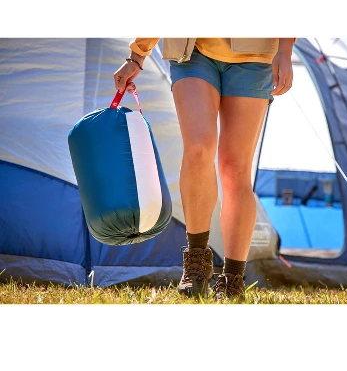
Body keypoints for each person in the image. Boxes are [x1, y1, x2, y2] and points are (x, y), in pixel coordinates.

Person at [114, 38, 295, 301]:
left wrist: (285, 51)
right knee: (198, 148)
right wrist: (137, 55)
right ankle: (196, 260)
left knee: (234, 167)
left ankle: (233, 278)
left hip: (254, 54)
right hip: (192, 49)